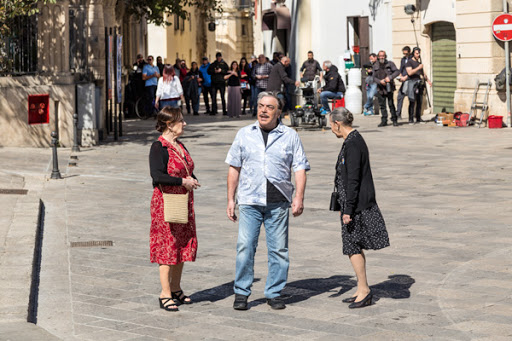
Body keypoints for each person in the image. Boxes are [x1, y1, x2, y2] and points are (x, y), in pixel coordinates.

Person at [226, 91, 310, 311]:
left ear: (278, 112)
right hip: (249, 200)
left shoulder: (290, 135)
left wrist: (299, 196)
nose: (263, 110)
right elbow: (234, 167)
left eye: (269, 107)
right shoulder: (244, 134)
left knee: (279, 250)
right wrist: (230, 199)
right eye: (261, 106)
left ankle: (274, 292)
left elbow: (300, 168)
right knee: (245, 247)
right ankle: (242, 292)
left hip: (278, 202)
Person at [330, 106, 390, 309]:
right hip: (353, 202)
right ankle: (361, 288)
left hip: (356, 204)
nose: (330, 129)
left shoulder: (353, 144)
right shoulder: (353, 140)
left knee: (352, 245)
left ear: (337, 124)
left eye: (331, 125)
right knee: (353, 245)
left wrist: (348, 209)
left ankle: (364, 290)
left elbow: (353, 179)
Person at [149, 107, 201, 312]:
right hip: (166, 203)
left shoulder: (179, 145)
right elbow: (157, 176)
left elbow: (189, 170)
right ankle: (165, 293)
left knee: (181, 245)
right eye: (181, 121)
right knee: (167, 247)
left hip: (184, 201)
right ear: (169, 125)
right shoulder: (158, 147)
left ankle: (176, 288)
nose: (185, 124)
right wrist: (182, 181)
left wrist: (193, 180)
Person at [372, 50, 400, 127]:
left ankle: (394, 120)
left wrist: (390, 78)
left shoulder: (390, 64)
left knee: (391, 104)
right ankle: (384, 120)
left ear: (385, 56)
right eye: (380, 56)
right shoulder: (375, 65)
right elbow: (373, 77)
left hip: (389, 87)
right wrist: (380, 81)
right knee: (382, 105)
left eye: (383, 55)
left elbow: (397, 72)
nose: (382, 57)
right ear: (378, 56)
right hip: (380, 88)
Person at [406, 47, 432, 124]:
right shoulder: (409, 62)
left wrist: (428, 80)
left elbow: (422, 73)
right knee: (412, 101)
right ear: (413, 53)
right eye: (417, 53)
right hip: (412, 84)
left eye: (419, 53)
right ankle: (410, 119)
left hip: (419, 84)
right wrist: (418, 68)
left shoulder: (419, 63)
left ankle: (418, 118)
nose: (418, 55)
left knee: (419, 102)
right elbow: (409, 73)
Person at [396, 46, 411, 119]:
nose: (405, 55)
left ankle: (411, 116)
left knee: (411, 98)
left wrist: (406, 77)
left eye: (406, 54)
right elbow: (401, 69)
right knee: (400, 96)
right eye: (404, 54)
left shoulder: (412, 60)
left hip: (410, 80)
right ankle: (398, 114)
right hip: (404, 81)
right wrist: (400, 75)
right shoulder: (403, 59)